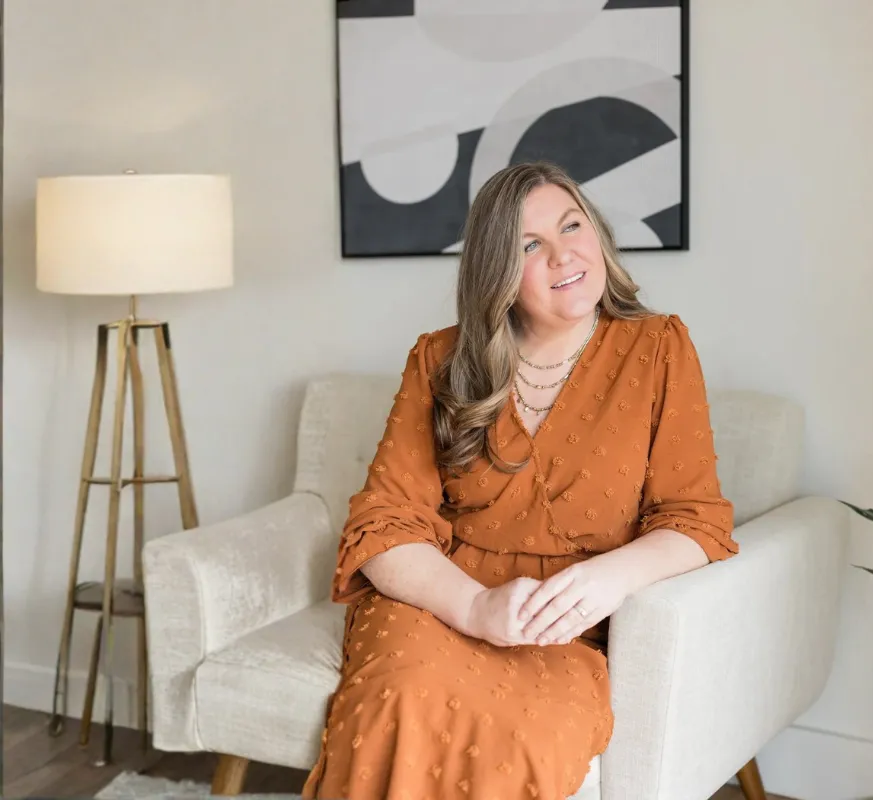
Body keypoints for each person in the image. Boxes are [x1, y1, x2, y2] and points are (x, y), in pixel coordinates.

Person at [301, 161, 738, 800]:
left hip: (566, 625)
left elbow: (695, 519)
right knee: (399, 696)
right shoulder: (440, 359)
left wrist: (609, 578)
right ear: (497, 271)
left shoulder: (658, 347)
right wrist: (475, 607)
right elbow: (384, 525)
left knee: (526, 740)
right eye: (530, 245)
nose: (563, 254)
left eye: (572, 226)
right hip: (438, 605)